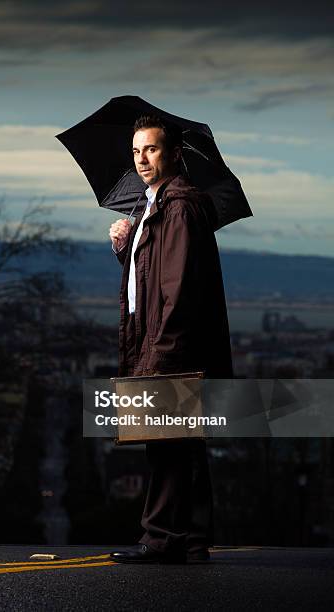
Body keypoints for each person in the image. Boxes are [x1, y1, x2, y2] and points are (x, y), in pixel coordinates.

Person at [108, 115, 233, 564]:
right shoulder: (153, 207)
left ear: (175, 153)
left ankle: (161, 538)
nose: (142, 159)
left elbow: (176, 288)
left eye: (152, 149)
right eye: (136, 150)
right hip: (164, 341)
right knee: (180, 443)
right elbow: (150, 276)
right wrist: (126, 246)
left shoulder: (178, 206)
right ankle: (191, 539)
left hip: (169, 344)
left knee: (167, 444)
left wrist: (160, 353)